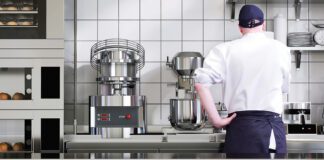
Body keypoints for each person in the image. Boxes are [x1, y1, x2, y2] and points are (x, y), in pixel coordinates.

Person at [194, 4, 291, 155]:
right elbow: (284, 89)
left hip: (240, 128)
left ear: (240, 27)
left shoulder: (224, 50)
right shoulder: (281, 50)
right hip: (271, 129)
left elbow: (200, 84)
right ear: (263, 24)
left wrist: (217, 121)